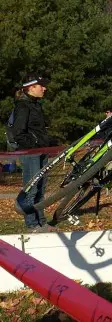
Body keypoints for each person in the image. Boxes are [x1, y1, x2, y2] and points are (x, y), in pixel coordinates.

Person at [12, 74, 55, 233]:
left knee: (41, 188)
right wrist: (34, 146)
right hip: (32, 153)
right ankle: (32, 225)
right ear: (31, 88)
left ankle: (42, 222)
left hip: (42, 151)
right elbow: (18, 133)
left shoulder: (36, 104)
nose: (45, 88)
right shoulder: (23, 106)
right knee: (32, 188)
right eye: (41, 86)